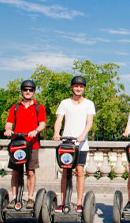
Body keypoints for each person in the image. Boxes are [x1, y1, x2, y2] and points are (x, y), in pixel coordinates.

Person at [53, 76, 96, 213]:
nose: (78, 88)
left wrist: (83, 134)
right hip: (67, 142)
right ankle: (63, 201)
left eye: (81, 86)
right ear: (72, 87)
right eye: (76, 86)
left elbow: (90, 121)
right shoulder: (65, 103)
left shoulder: (89, 103)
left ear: (84, 88)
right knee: (65, 172)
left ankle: (78, 203)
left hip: (81, 144)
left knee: (79, 171)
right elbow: (59, 120)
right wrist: (56, 132)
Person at [3, 80, 46, 209]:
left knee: (30, 172)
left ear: (34, 91)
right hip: (17, 144)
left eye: (30, 90)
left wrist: (36, 130)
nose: (28, 92)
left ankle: (31, 198)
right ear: (21, 91)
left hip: (32, 144)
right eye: (25, 90)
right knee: (15, 172)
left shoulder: (39, 106)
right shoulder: (15, 107)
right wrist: (8, 130)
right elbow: (9, 122)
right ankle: (14, 197)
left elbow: (42, 123)